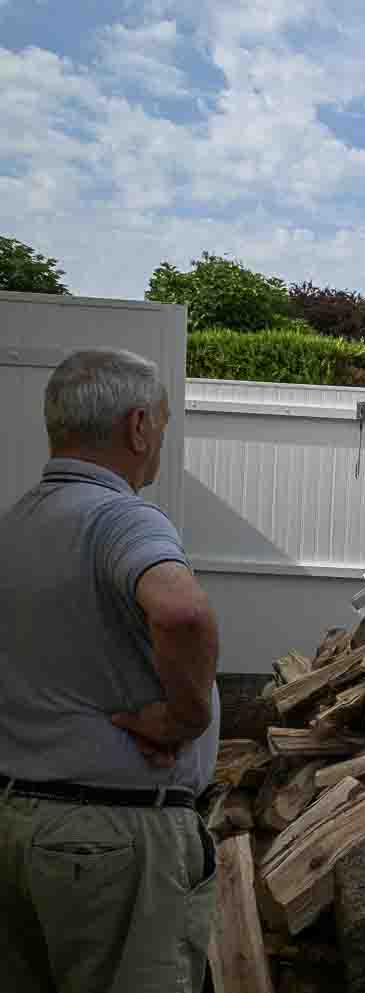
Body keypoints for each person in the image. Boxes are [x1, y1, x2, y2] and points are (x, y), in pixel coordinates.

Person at [0, 349, 221, 993]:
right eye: (162, 424)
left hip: (17, 826)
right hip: (110, 847)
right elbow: (181, 612)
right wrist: (186, 716)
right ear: (138, 428)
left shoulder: (16, 524)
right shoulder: (119, 516)